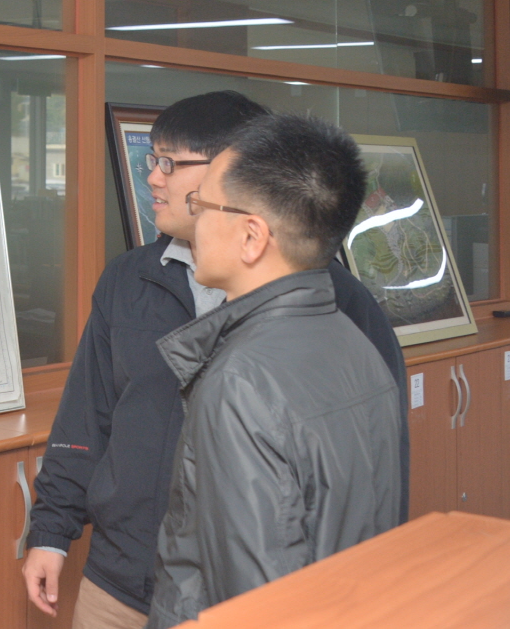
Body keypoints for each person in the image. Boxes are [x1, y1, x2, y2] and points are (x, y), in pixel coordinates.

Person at [22, 92, 404, 629]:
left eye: (171, 164)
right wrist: (51, 530)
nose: (153, 178)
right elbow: (87, 418)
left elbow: (340, 497)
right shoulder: (129, 280)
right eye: (152, 159)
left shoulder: (327, 316)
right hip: (123, 578)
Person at [144, 114, 404, 627]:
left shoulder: (240, 383)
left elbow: (256, 604)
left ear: (252, 237)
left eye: (203, 206)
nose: (194, 220)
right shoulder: (355, 344)